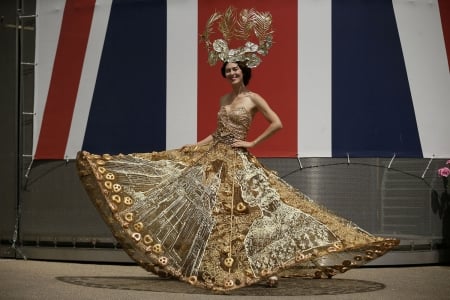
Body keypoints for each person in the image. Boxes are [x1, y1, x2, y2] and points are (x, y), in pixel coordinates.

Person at [76, 7, 399, 292]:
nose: (231, 73)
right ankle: (223, 265)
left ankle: (264, 267)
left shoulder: (252, 98)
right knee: (212, 214)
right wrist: (196, 145)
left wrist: (252, 143)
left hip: (239, 161)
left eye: (236, 69)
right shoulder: (223, 100)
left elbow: (277, 123)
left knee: (258, 212)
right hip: (215, 157)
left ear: (244, 72)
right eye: (227, 70)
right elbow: (217, 132)